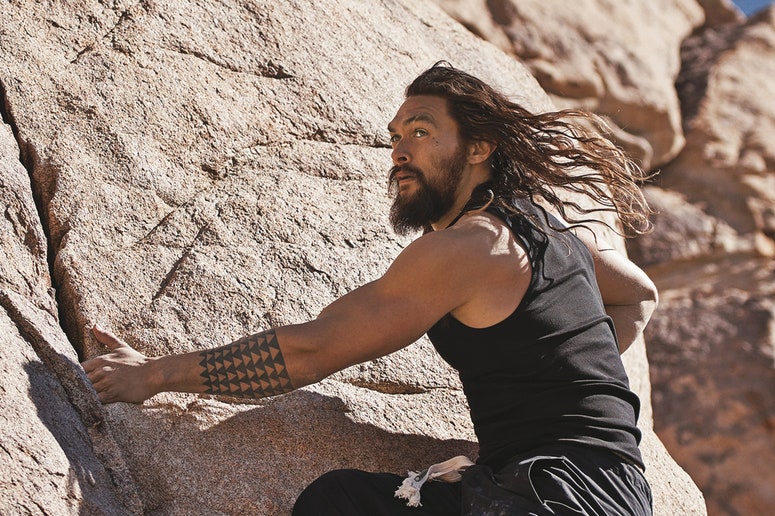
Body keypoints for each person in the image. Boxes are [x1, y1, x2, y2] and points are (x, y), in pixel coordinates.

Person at [82, 62, 658, 515]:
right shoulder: (540, 226)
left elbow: (314, 350)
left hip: (557, 498)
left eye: (423, 131)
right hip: (611, 491)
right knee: (345, 502)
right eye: (396, 136)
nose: (400, 152)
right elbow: (637, 296)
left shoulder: (471, 246)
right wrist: (562, 387)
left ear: (480, 148)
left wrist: (153, 375)